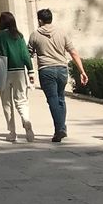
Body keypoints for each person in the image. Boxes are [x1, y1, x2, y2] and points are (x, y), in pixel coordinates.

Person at [28, 8, 88, 142]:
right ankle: (62, 127)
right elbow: (73, 53)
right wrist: (82, 71)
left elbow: (29, 54)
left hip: (46, 70)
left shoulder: (35, 35)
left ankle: (59, 129)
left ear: (39, 20)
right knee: (61, 98)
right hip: (62, 69)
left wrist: (28, 71)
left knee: (53, 100)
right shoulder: (62, 33)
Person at [0, 11, 35, 142]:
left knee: (6, 103)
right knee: (21, 100)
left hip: (4, 71)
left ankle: (12, 132)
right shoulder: (19, 36)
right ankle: (26, 121)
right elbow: (25, 54)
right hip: (19, 71)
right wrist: (31, 71)